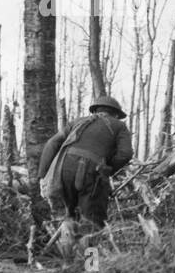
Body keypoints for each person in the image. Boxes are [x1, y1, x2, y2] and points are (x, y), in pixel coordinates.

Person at [37, 95, 134, 237]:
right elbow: (125, 154)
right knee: (92, 224)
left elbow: (52, 143)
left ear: (95, 111)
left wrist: (42, 175)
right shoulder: (119, 126)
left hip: (62, 170)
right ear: (115, 114)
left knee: (67, 218)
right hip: (92, 173)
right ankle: (90, 259)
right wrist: (109, 169)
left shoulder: (77, 122)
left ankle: (67, 257)